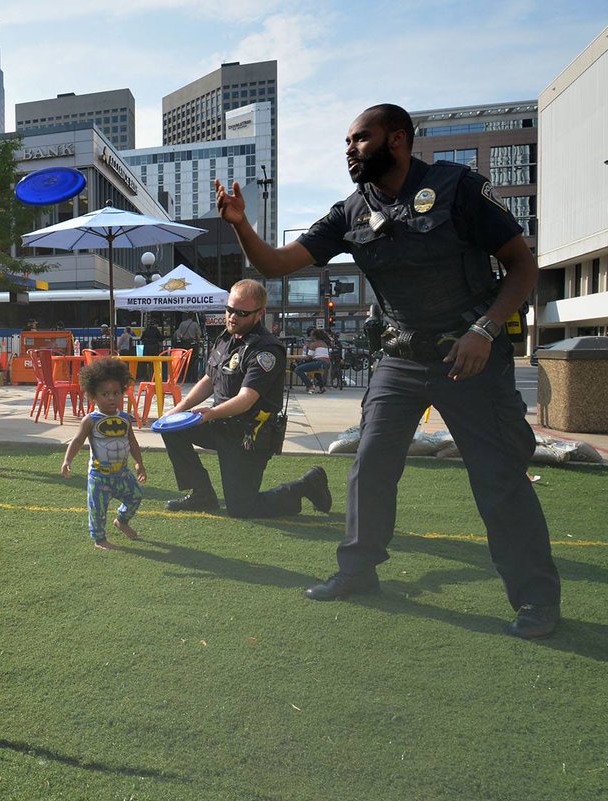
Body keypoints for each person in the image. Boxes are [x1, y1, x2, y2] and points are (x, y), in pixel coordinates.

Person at [213, 103, 559, 638]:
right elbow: (274, 264)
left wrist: (485, 330)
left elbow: (522, 264)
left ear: (397, 138)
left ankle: (536, 599)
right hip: (400, 358)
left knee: (497, 476)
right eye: (347, 142)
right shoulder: (351, 211)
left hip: (468, 354)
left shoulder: (457, 187)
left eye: (360, 139)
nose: (350, 151)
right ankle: (358, 571)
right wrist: (241, 225)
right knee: (370, 465)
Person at [160, 279, 332, 521]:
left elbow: (246, 399)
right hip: (221, 425)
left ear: (259, 313)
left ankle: (306, 485)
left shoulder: (266, 350)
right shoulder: (226, 338)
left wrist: (209, 413)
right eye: (229, 309)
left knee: (242, 509)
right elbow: (209, 379)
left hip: (248, 436)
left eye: (241, 313)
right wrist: (177, 411)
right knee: (171, 428)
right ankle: (202, 494)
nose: (232, 317)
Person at [61, 357, 146, 550]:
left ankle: (121, 521)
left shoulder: (125, 418)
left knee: (136, 495)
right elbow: (77, 441)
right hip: (99, 477)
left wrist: (139, 463)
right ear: (93, 396)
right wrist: (67, 460)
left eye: (116, 393)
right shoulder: (90, 420)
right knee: (97, 510)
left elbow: (132, 442)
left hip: (122, 473)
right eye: (105, 394)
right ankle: (100, 539)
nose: (111, 398)